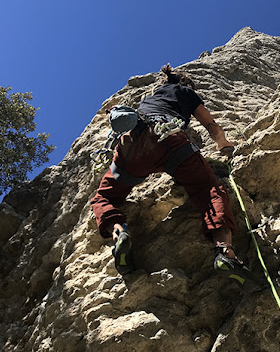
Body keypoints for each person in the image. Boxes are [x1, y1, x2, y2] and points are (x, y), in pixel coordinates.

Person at [90, 64, 253, 286]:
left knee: (104, 198)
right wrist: (222, 142)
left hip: (130, 145)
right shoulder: (186, 92)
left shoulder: (149, 99)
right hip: (168, 138)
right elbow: (210, 124)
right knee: (208, 190)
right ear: (185, 85)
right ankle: (225, 252)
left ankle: (118, 232)